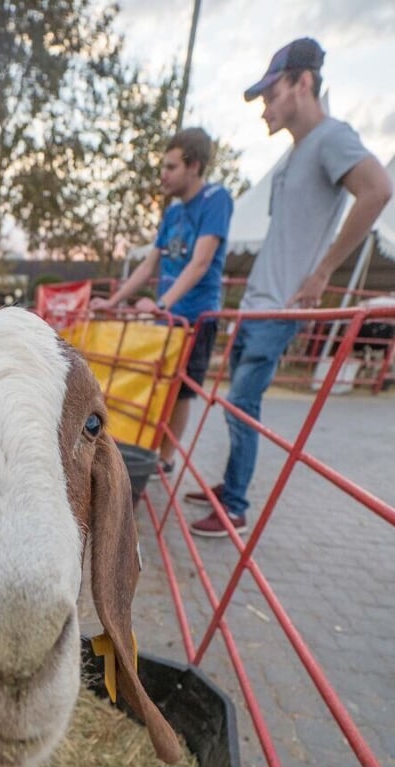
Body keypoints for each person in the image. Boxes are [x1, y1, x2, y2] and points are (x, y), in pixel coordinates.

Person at [187, 38, 392, 538]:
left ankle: (234, 503)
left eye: (271, 94)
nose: (265, 109)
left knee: (243, 401)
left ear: (303, 82)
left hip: (279, 306)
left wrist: (322, 273)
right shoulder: (297, 153)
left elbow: (378, 189)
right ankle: (229, 483)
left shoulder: (331, 138)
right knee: (238, 402)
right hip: (261, 303)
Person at [90, 128, 233, 476]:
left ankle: (166, 459)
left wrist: (164, 304)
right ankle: (150, 449)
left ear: (194, 165)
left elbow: (201, 262)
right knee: (158, 382)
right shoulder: (172, 213)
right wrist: (114, 301)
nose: (163, 175)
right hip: (165, 317)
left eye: (171, 167)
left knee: (182, 390)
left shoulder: (216, 200)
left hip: (194, 316)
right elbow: (149, 264)